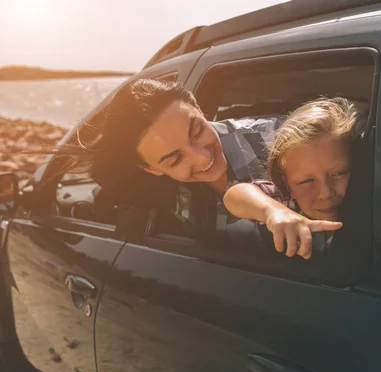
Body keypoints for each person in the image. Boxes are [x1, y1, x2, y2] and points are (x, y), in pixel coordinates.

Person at [52, 78, 341, 246]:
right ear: (152, 169)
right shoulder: (156, 194)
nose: (203, 157)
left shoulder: (279, 139)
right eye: (175, 158)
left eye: (197, 130)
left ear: (199, 108)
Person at [223, 97, 364, 260]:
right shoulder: (288, 203)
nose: (325, 193)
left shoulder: (373, 199)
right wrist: (273, 211)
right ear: (286, 184)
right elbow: (234, 196)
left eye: (339, 173)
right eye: (307, 181)